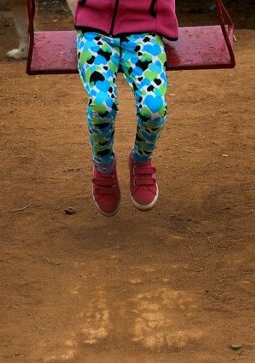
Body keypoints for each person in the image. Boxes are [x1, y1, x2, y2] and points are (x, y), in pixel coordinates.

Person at [73, 0, 178, 216]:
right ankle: (103, 166)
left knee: (154, 107)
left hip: (145, 29)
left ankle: (141, 159)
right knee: (101, 104)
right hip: (95, 29)